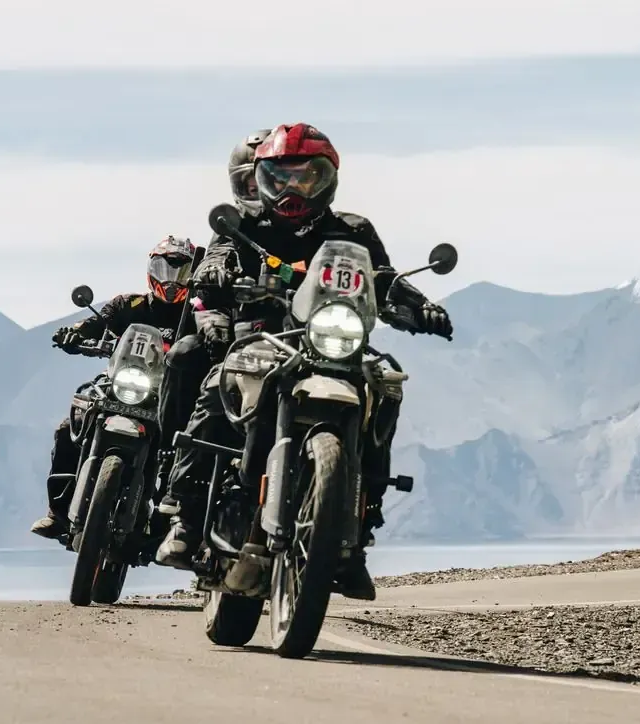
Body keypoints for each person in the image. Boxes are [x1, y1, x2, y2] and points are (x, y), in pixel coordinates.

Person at [155, 122, 453, 602]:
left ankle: (359, 528)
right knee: (215, 384)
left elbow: (383, 276)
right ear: (262, 177)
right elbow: (221, 253)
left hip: (333, 345)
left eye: (305, 177)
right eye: (280, 177)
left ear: (327, 179)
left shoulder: (351, 230)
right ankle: (187, 515)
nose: (292, 189)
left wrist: (420, 306)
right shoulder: (244, 223)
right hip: (264, 339)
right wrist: (214, 270)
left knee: (387, 387)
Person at [29, 236, 199, 540]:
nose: (172, 280)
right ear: (151, 270)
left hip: (168, 394)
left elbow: (213, 342)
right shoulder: (127, 304)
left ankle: (171, 522)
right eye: (164, 268)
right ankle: (58, 513)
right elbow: (95, 323)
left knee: (185, 445)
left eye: (180, 272)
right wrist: (74, 333)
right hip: (121, 384)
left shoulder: (196, 317)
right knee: (69, 427)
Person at [155, 128, 274, 515]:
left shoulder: (318, 227)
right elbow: (213, 259)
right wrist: (215, 271)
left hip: (296, 336)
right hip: (237, 331)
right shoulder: (234, 225)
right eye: (252, 181)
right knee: (186, 357)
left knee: (377, 385)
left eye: (271, 178)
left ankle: (359, 507)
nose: (263, 189)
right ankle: (178, 470)